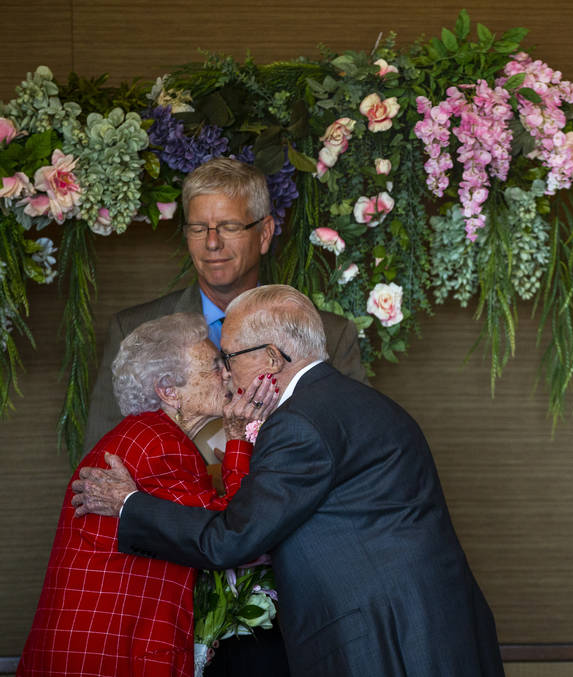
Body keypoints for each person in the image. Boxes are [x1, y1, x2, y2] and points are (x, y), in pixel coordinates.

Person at [72, 285, 505, 677]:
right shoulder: (347, 400)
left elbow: (233, 540)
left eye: (229, 358)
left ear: (272, 359)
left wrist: (129, 504)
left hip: (385, 636)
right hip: (426, 625)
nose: (225, 373)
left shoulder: (300, 422)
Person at [18, 313, 279, 676]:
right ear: (168, 390)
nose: (228, 375)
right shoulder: (157, 445)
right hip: (106, 653)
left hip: (90, 646)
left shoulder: (144, 435)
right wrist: (238, 439)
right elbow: (235, 534)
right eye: (213, 367)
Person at [84, 156, 367, 453]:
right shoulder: (133, 329)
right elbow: (99, 463)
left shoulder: (332, 335)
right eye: (197, 228)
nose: (212, 243)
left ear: (264, 234)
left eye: (229, 226)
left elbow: (359, 448)